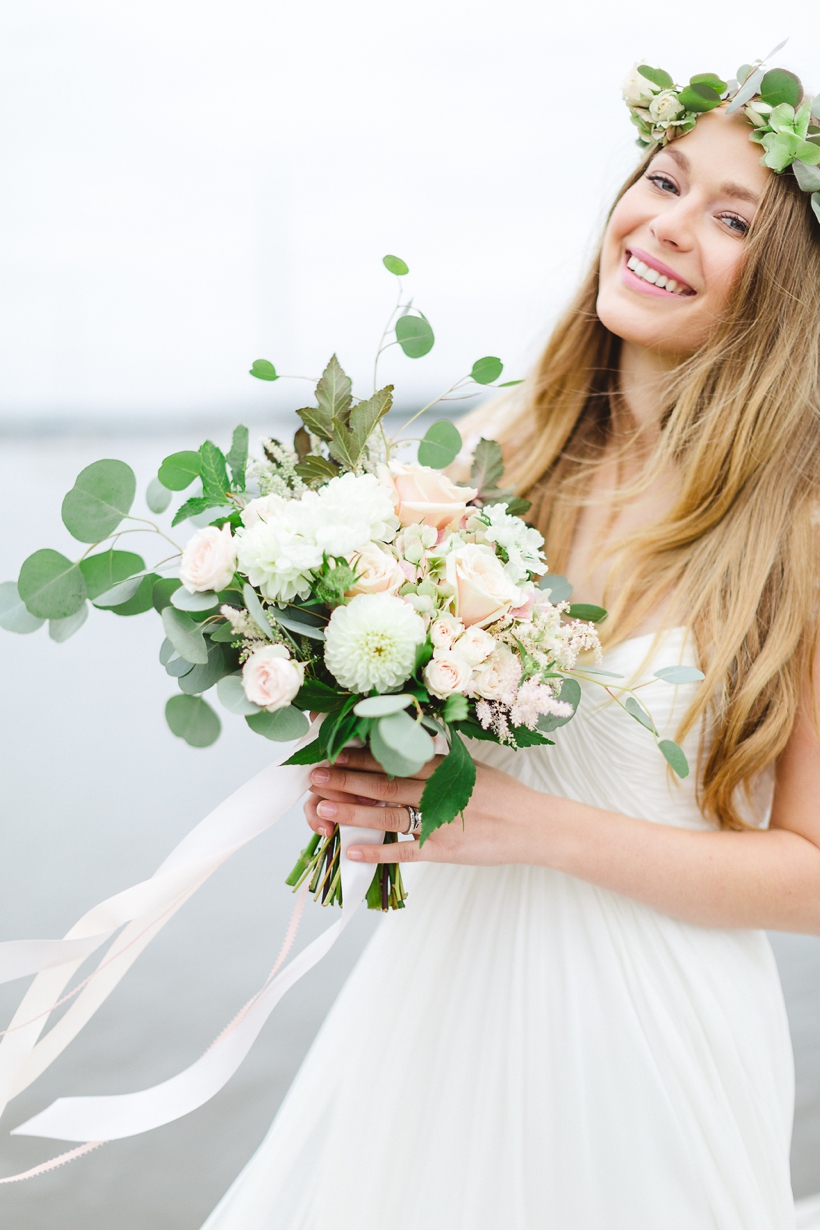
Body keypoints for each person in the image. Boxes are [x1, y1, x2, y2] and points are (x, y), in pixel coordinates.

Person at [202, 64, 820, 1229]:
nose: (666, 226)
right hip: (437, 999)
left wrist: (533, 827)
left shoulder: (797, 531)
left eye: (731, 218)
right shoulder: (496, 454)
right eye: (663, 180)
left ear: (782, 288)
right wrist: (366, 750)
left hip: (645, 1033)